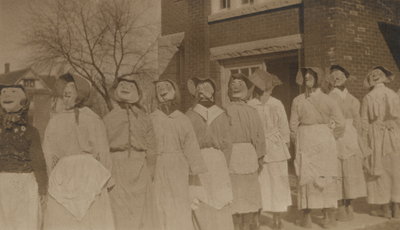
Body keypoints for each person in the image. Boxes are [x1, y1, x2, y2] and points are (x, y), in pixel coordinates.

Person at [43, 73, 115, 230]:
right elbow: (48, 152)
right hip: (63, 173)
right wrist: (51, 177)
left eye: (71, 89)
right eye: (64, 91)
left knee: (92, 215)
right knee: (63, 215)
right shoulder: (55, 121)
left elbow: (102, 150)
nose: (66, 93)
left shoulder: (92, 119)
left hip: (89, 172)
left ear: (81, 94)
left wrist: (106, 178)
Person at [290, 67, 345, 228]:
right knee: (307, 177)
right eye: (306, 75)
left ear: (318, 78)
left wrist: (329, 138)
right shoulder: (298, 100)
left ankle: (328, 217)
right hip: (311, 139)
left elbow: (341, 123)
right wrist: (328, 137)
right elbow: (292, 126)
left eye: (311, 75)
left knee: (324, 176)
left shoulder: (329, 100)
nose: (307, 77)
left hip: (318, 140)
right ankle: (307, 218)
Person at [150, 78, 207, 230]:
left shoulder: (183, 119)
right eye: (159, 87)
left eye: (167, 86)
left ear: (174, 91)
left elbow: (191, 146)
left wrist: (194, 171)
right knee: (159, 202)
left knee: (180, 203)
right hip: (158, 166)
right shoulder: (151, 119)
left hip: (178, 168)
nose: (163, 89)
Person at [103, 76, 158, 230]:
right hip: (116, 167)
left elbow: (152, 146)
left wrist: (150, 170)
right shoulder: (108, 117)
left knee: (141, 212)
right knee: (119, 210)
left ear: (138, 93)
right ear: (115, 90)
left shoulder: (144, 118)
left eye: (131, 85)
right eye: (122, 84)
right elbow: (102, 147)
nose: (126, 87)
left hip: (140, 167)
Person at [186, 77, 234, 230]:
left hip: (198, 158)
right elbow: (227, 144)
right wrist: (225, 164)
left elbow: (187, 144)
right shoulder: (222, 114)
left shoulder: (189, 114)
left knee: (201, 197)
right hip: (218, 159)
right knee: (218, 197)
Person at [247, 70, 291, 230]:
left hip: (276, 147)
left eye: (264, 88)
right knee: (259, 183)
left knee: (278, 182)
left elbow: (284, 127)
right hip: (258, 148)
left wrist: (285, 144)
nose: (261, 91)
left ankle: (277, 218)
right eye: (257, 88)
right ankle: (256, 218)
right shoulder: (250, 105)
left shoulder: (276, 103)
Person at [0, 84, 48, 230]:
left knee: (25, 222)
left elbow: (38, 161)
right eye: (3, 93)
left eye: (13, 92)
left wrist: (42, 188)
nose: (7, 95)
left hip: (25, 184)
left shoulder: (31, 131)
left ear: (23, 101)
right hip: (2, 185)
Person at [225, 73, 266, 230]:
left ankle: (250, 225)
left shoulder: (252, 111)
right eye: (233, 83)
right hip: (231, 155)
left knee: (249, 192)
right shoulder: (224, 111)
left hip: (248, 155)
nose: (235, 86)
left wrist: (260, 158)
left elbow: (259, 137)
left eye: (239, 83)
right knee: (235, 192)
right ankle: (237, 226)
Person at [327, 65, 367, 221]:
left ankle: (349, 203)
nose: (337, 78)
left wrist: (361, 139)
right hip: (335, 136)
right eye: (334, 76)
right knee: (337, 171)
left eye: (340, 75)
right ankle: (340, 206)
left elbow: (357, 121)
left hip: (351, 137)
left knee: (351, 171)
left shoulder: (354, 100)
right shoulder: (329, 98)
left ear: (346, 78)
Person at [361, 66, 400, 219]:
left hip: (376, 137)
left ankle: (385, 208)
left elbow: (364, 122)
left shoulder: (368, 97)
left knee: (379, 171)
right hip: (394, 137)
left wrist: (364, 141)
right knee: (395, 170)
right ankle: (397, 207)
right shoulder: (393, 95)